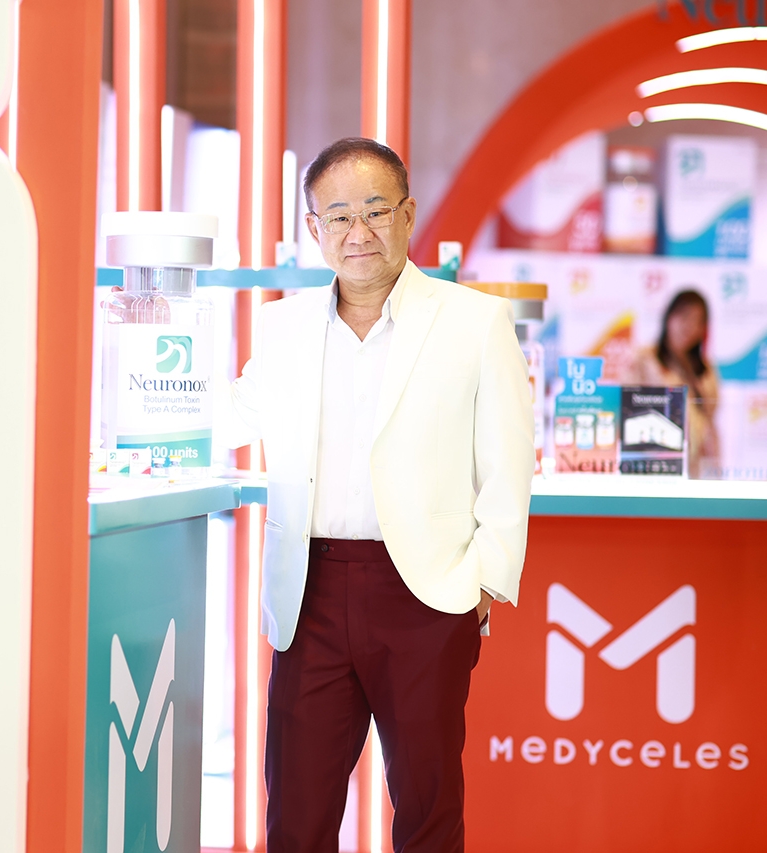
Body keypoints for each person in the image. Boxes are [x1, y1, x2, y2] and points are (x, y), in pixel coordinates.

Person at [215, 137, 534, 853]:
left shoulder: (473, 321)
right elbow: (232, 420)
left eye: (375, 210)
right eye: (338, 216)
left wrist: (483, 584)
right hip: (310, 589)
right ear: (314, 228)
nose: (358, 232)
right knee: (296, 814)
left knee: (427, 808)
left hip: (426, 593)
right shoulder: (283, 326)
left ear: (407, 214)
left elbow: (509, 463)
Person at [629, 289, 720, 478]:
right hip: (650, 467)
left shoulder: (705, 370)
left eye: (697, 321)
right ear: (669, 317)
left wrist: (715, 467)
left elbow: (711, 421)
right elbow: (627, 409)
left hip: (694, 470)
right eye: (684, 317)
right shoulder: (644, 360)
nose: (689, 326)